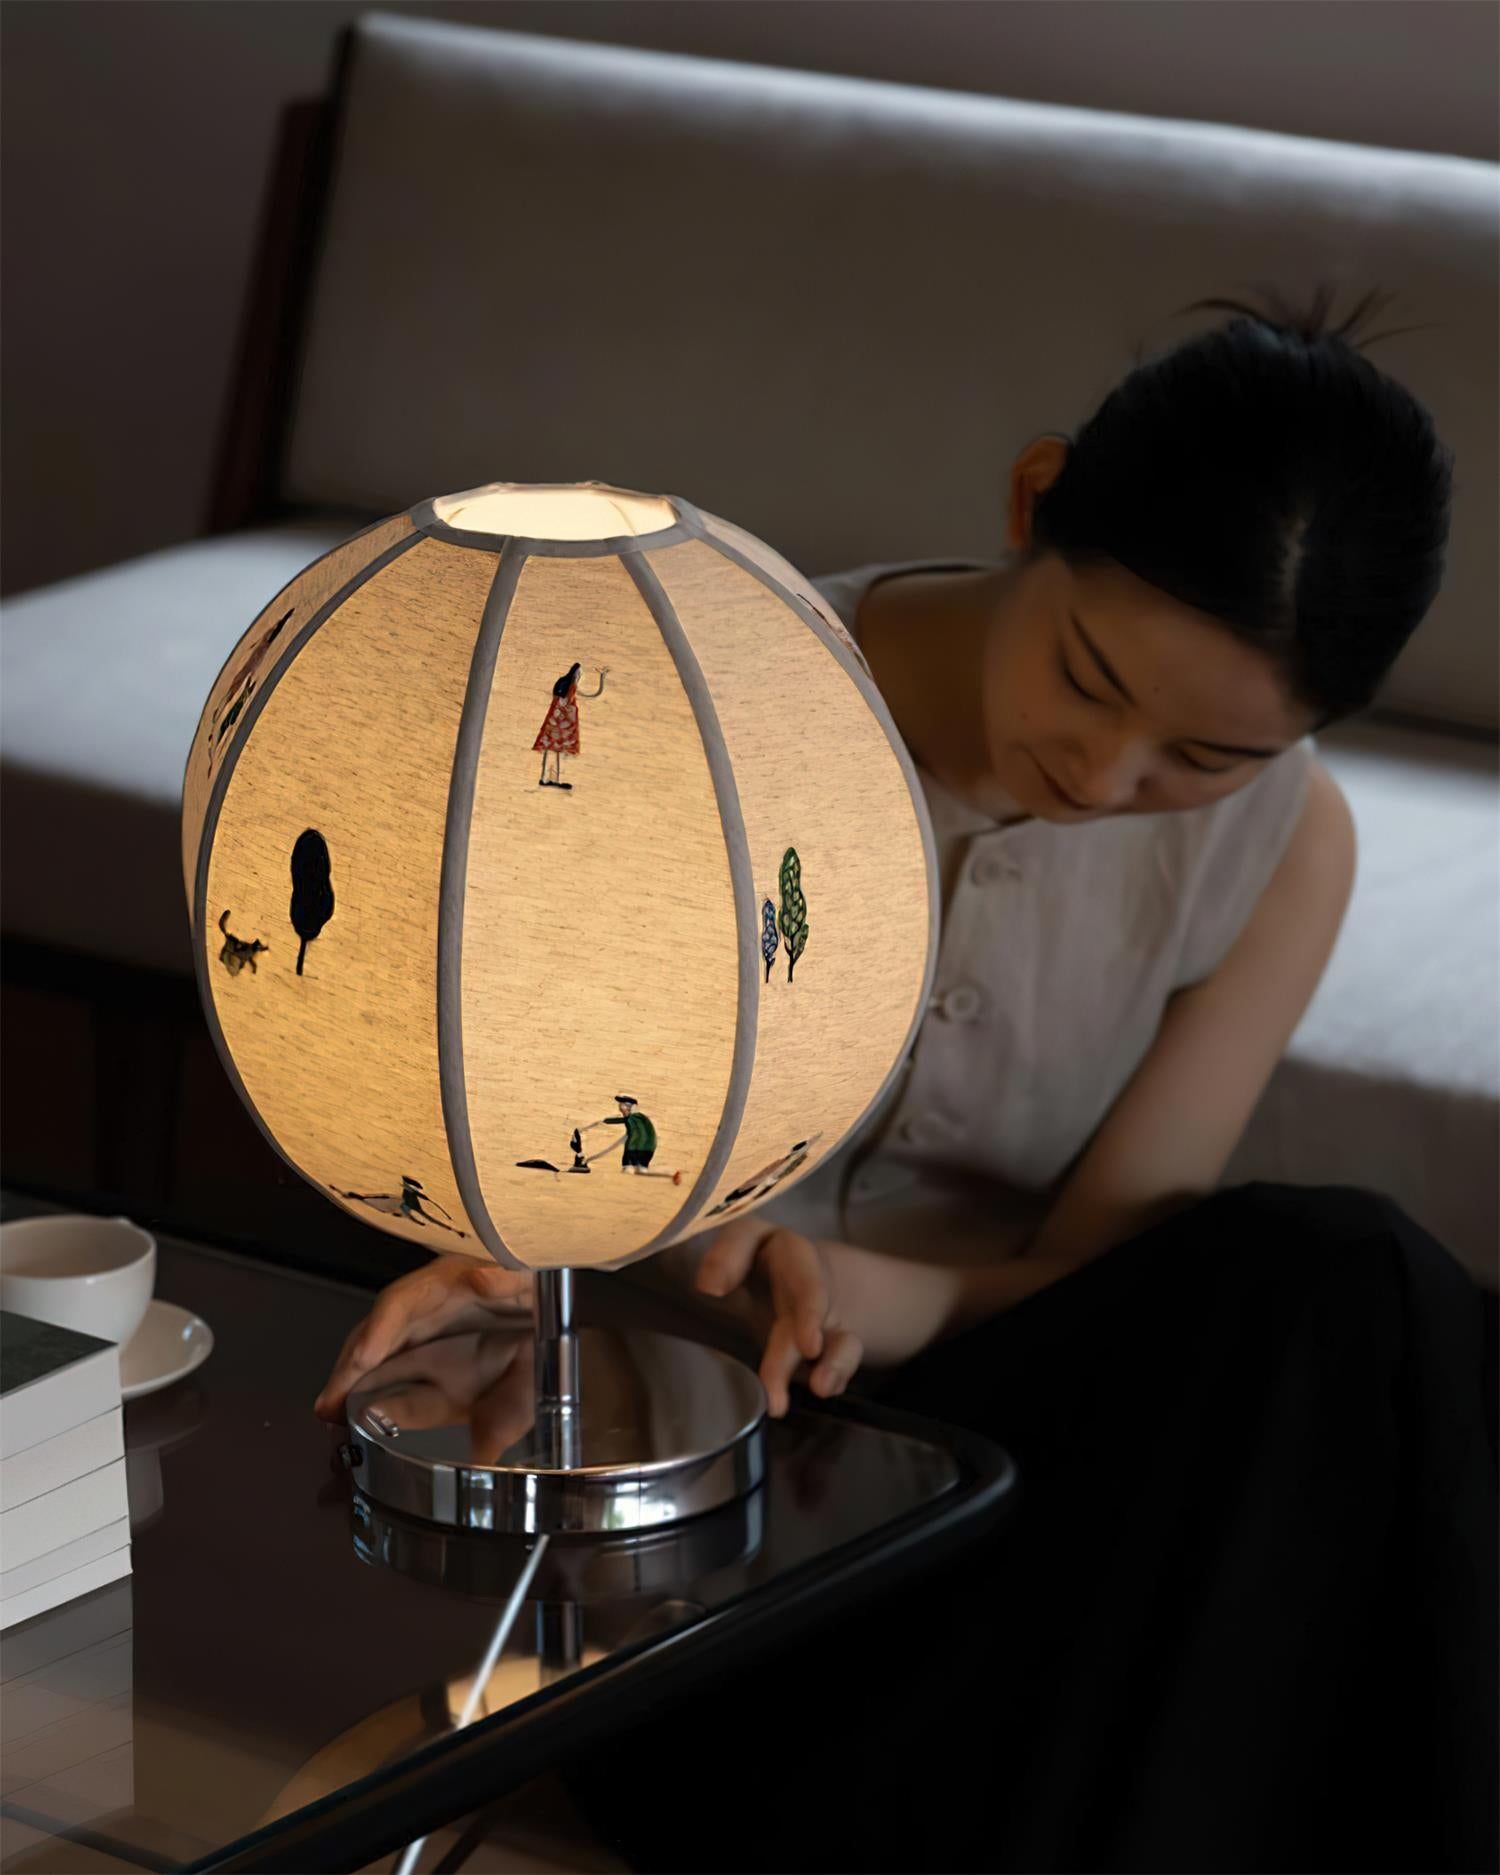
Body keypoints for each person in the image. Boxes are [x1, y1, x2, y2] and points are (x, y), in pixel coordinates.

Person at [312, 283, 1497, 1871]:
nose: (1107, 774)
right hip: (710, 1491)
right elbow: (539, 1156)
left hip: (1015, 1463)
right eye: (1089, 678)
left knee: (1344, 1297)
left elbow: (1110, 1282)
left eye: (1205, 759)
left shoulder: (1288, 846)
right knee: (1337, 1325)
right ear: (1032, 500)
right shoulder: (721, 716)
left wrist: (885, 1295)